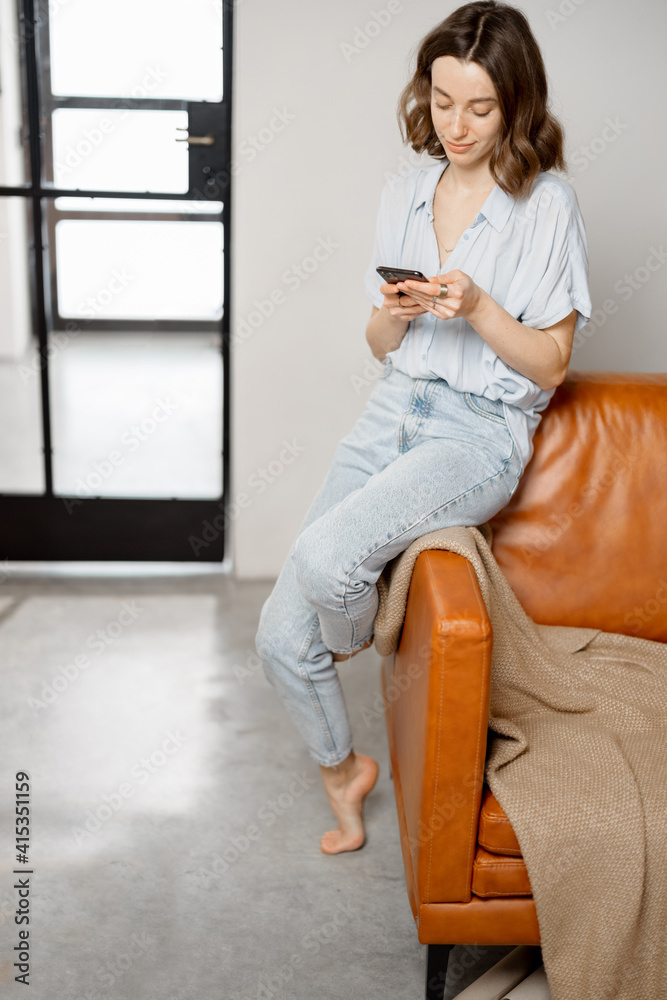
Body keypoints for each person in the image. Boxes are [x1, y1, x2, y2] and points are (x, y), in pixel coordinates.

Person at [255, 0, 591, 855]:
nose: (457, 125)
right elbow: (376, 344)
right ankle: (344, 772)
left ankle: (359, 623)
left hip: (474, 434)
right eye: (442, 101)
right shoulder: (404, 191)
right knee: (276, 637)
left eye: (479, 107)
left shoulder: (545, 204)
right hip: (391, 406)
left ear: (516, 103)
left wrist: (475, 306)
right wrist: (399, 315)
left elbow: (550, 366)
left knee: (331, 564)